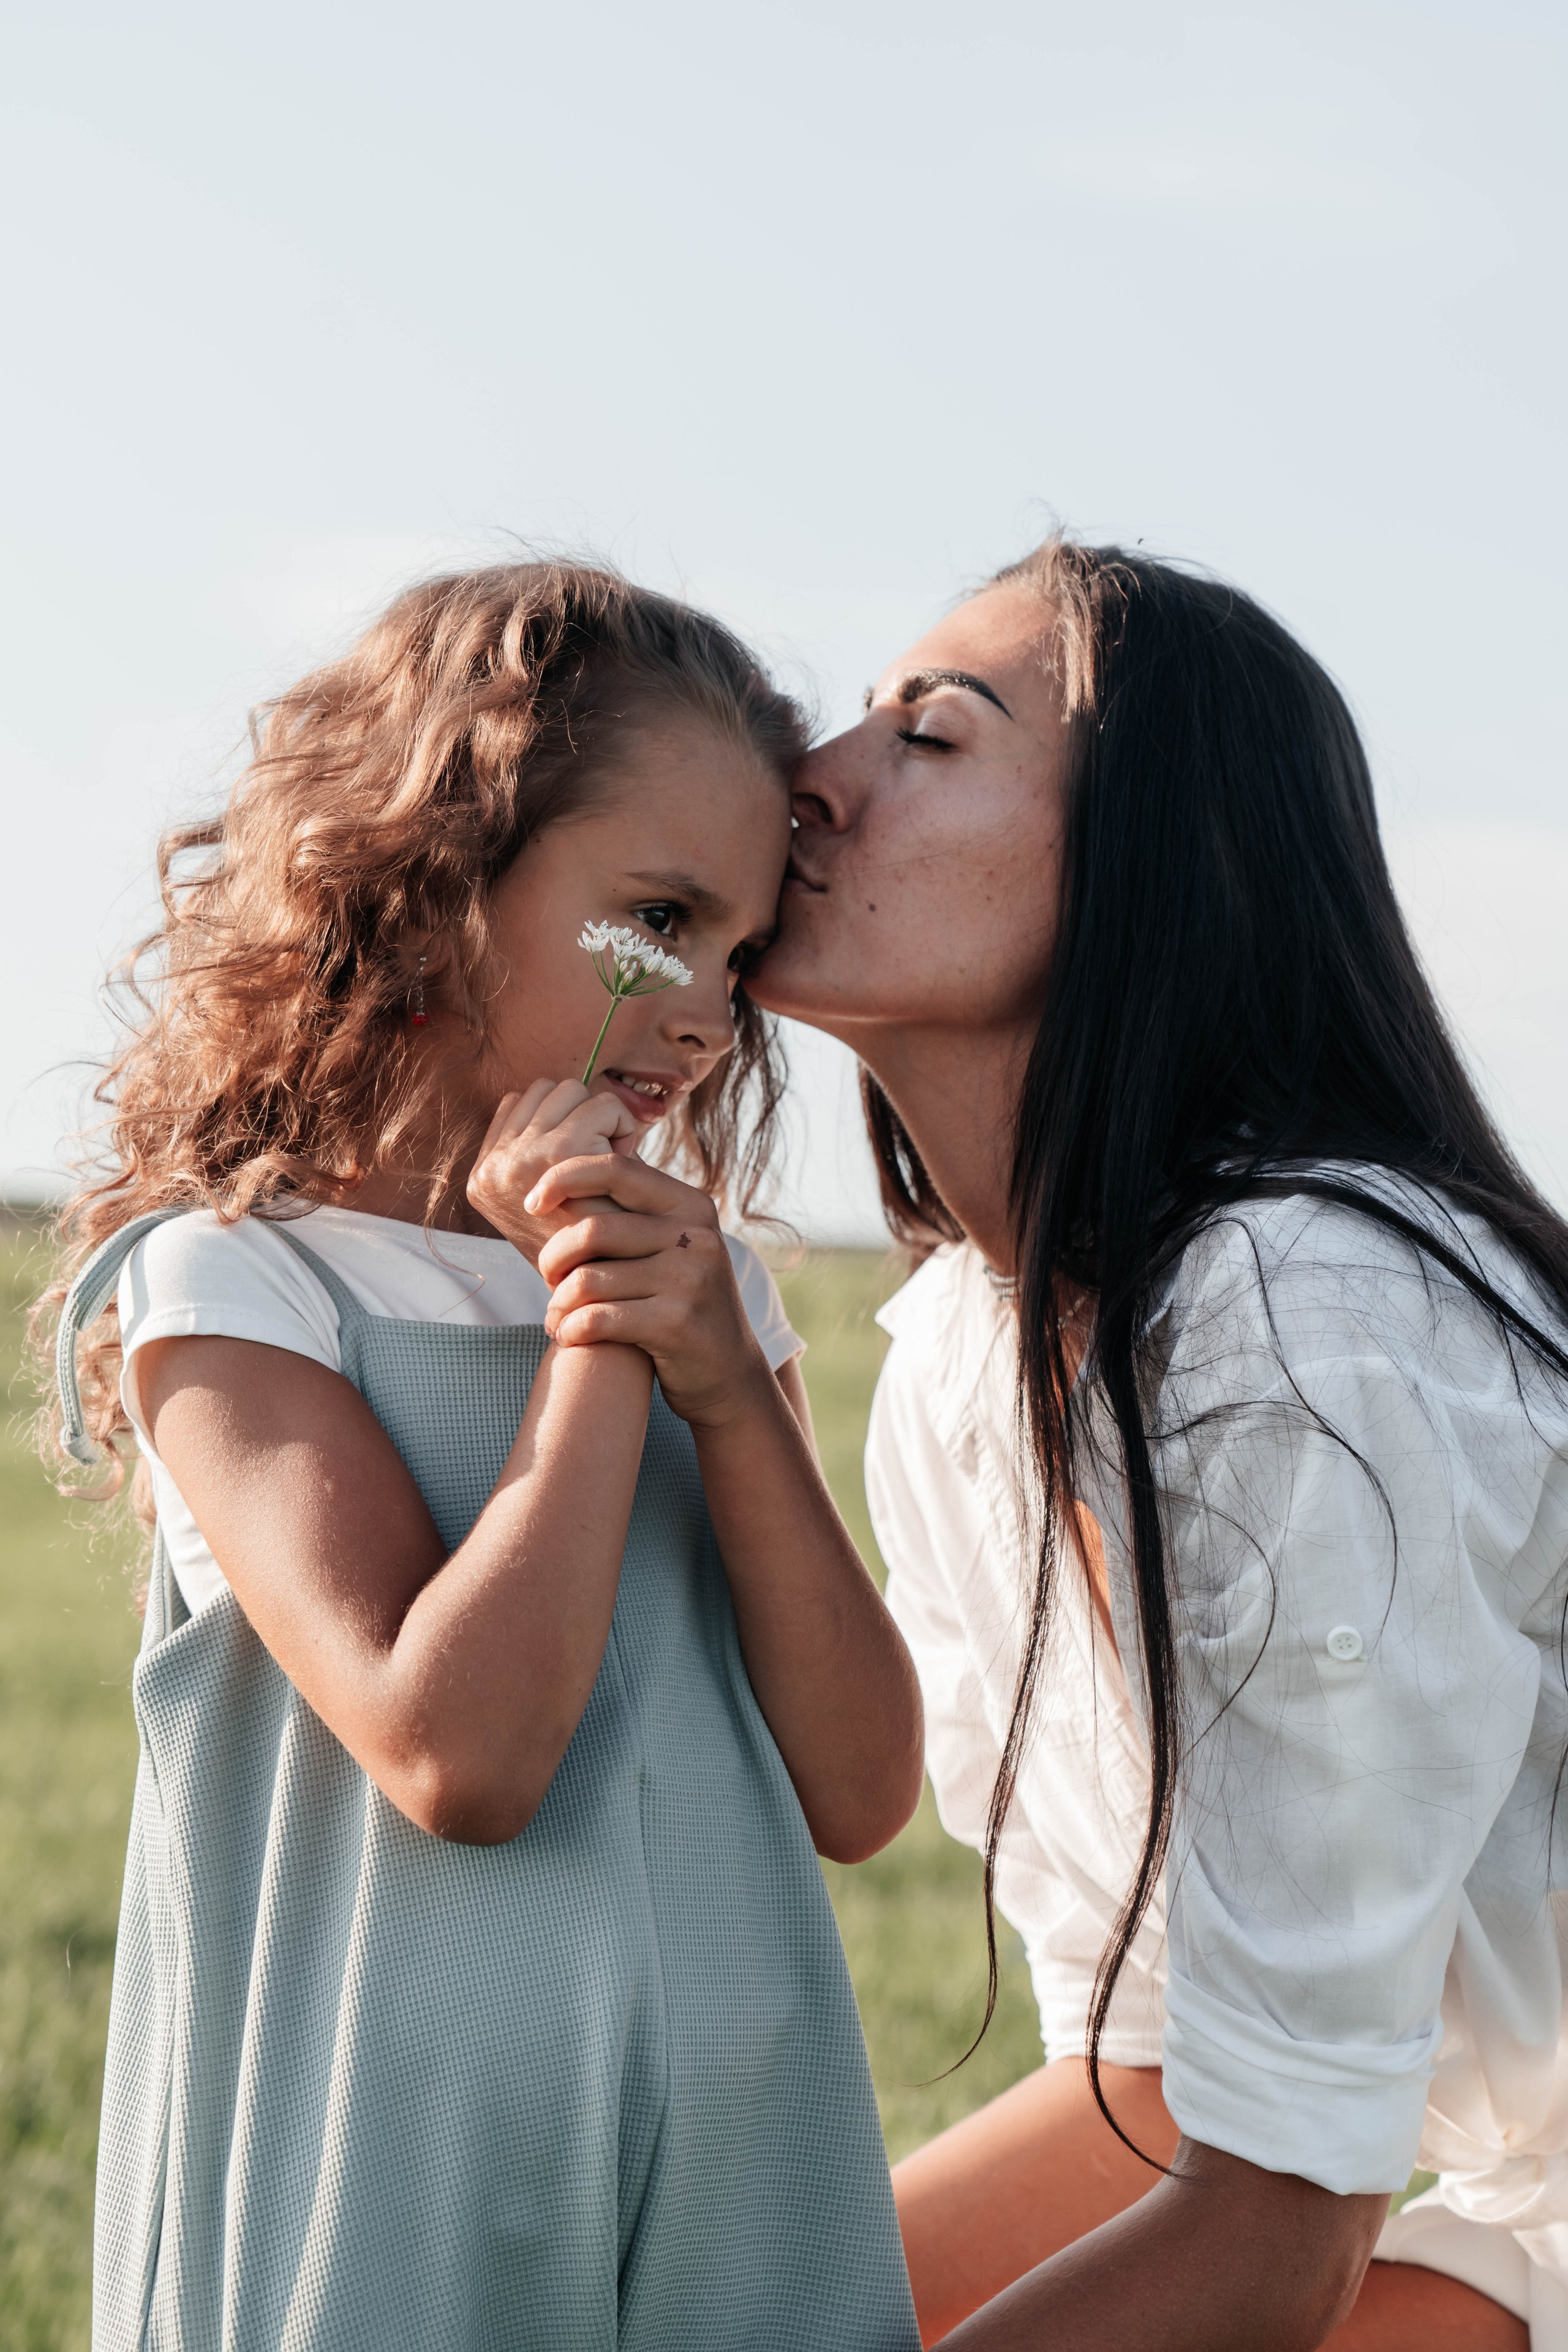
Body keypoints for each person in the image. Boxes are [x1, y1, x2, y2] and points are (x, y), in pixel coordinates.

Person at [44, 561, 924, 2352]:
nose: (704, 1011)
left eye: (739, 954)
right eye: (657, 918)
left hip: (733, 2156)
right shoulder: (236, 1287)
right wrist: (594, 1331)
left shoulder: (711, 1297)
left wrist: (726, 1388)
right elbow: (463, 1756)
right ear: (436, 880)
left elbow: (859, 1791)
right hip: (394, 2183)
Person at [752, 536, 1568, 2351]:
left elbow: (1276, 2221)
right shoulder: (962, 1357)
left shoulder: (1311, 1324)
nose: (808, 772)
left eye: (930, 737)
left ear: (1158, 860)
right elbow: (1151, 2078)